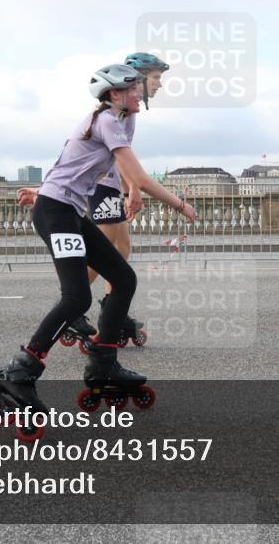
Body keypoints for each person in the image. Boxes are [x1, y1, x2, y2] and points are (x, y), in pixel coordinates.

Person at [0, 63, 196, 413]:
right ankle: (20, 370)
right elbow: (139, 177)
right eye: (133, 89)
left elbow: (73, 165)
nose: (140, 93)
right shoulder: (105, 122)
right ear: (114, 94)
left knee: (123, 278)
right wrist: (179, 204)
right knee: (76, 298)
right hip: (56, 213)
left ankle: (103, 364)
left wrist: (42, 189)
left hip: (66, 208)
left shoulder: (116, 120)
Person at [63, 52, 171, 348]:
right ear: (136, 80)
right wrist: (133, 188)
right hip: (100, 186)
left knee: (121, 250)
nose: (160, 85)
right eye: (156, 78)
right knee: (106, 253)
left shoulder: (129, 114)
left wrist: (130, 190)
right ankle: (71, 308)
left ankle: (113, 311)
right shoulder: (116, 114)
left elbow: (124, 160)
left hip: (111, 187)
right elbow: (117, 158)